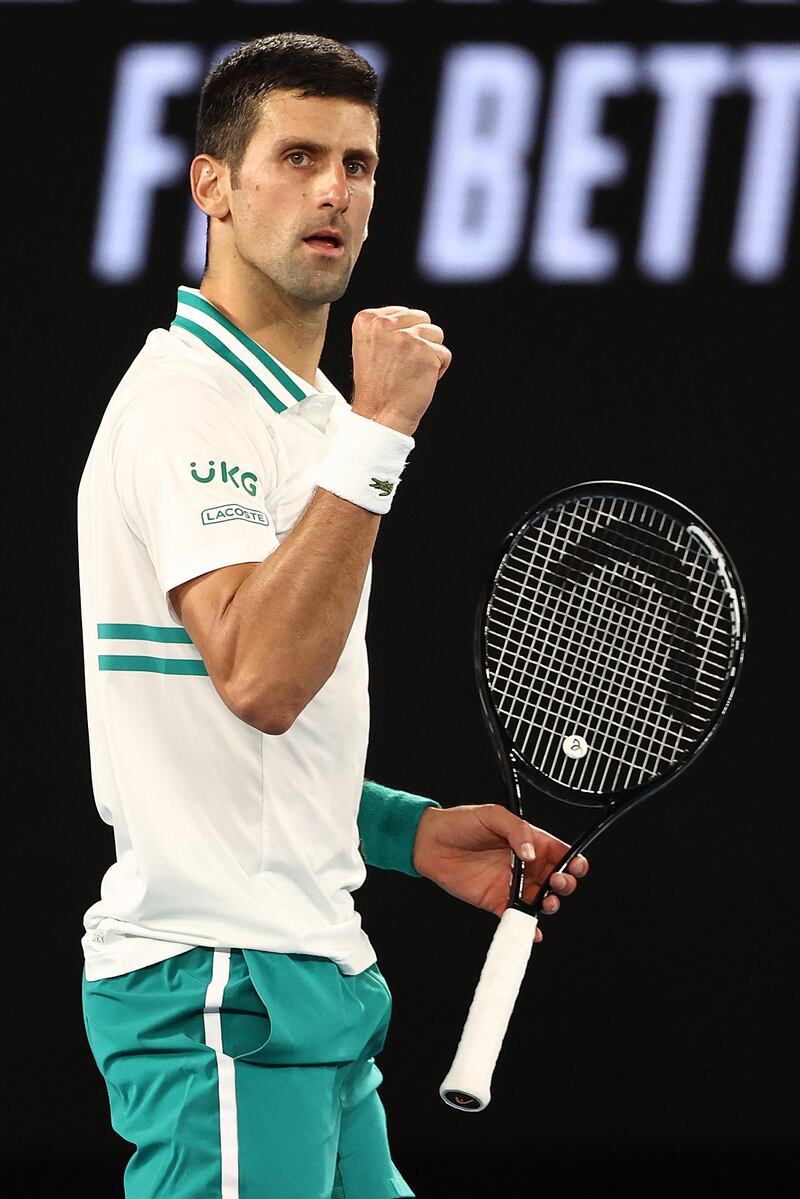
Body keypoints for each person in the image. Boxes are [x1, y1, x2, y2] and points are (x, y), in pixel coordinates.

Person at [77, 32, 588, 1199]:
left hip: (313, 980)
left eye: (357, 165)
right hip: (221, 993)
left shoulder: (307, 413)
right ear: (210, 183)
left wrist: (406, 831)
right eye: (298, 155)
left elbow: (219, 740)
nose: (335, 190)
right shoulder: (187, 406)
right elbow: (260, 677)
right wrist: (381, 431)